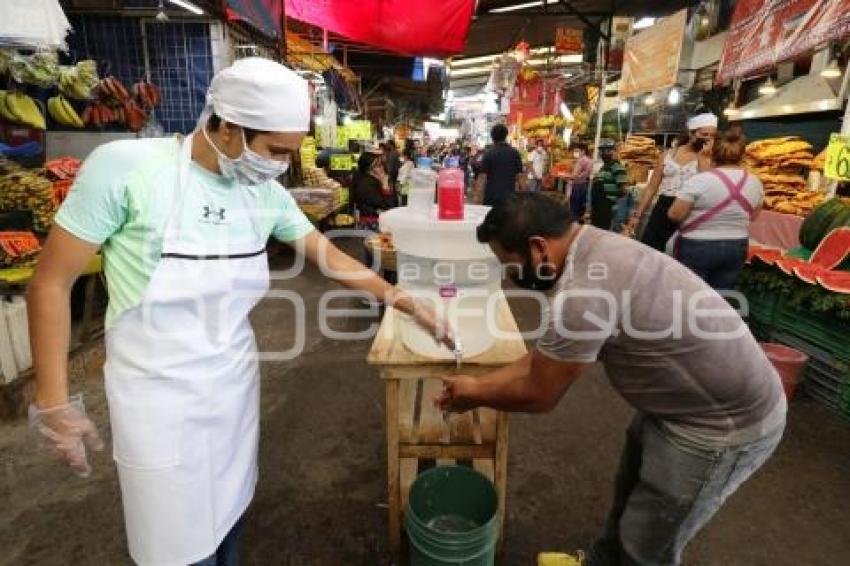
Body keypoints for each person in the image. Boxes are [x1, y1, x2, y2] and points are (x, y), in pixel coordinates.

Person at [26, 58, 453, 566]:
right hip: (158, 401)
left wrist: (403, 299)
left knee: (230, 518)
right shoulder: (128, 170)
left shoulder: (262, 194)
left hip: (232, 387)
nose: (279, 164)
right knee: (174, 547)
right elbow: (50, 284)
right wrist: (54, 400)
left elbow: (328, 254)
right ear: (227, 124)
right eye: (274, 150)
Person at [437, 193, 786, 566]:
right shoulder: (592, 245)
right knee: (628, 496)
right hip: (678, 402)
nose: (509, 276)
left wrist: (474, 393)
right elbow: (542, 361)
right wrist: (481, 384)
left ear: (538, 248)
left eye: (508, 264)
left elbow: (539, 393)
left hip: (719, 426)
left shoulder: (582, 293)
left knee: (646, 545)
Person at [667, 130, 763, 291]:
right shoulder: (755, 182)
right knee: (719, 300)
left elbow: (675, 214)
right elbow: (754, 216)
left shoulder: (699, 181)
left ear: (713, 152)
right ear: (742, 154)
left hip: (697, 247)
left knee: (690, 297)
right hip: (736, 247)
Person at [629, 113, 717, 250]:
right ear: (691, 133)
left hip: (687, 212)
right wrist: (637, 215)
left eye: (712, 136)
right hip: (662, 209)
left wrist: (704, 158)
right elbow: (651, 188)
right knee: (650, 251)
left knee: (677, 255)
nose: (708, 139)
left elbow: (707, 187)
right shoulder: (668, 155)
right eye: (704, 134)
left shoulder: (710, 159)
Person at [474, 124, 524, 206]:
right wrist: (524, 196)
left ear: (492, 137)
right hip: (510, 198)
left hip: (491, 197)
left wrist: (478, 196)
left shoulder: (488, 154)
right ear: (506, 135)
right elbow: (520, 176)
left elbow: (482, 177)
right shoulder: (514, 153)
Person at [353, 146, 395, 230]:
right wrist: (385, 185)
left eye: (381, 164)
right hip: (372, 225)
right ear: (368, 169)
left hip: (376, 222)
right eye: (377, 165)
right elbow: (388, 205)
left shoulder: (373, 181)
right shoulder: (366, 184)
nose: (382, 168)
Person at [589, 138, 628, 230]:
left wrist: (615, 205)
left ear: (614, 151)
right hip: (598, 206)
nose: (604, 153)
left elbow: (623, 190)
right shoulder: (603, 167)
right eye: (602, 151)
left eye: (607, 150)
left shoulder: (617, 167)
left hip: (607, 207)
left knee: (604, 232)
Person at [566, 142, 592, 220]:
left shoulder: (582, 160)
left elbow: (575, 175)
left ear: (583, 151)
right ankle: (579, 220)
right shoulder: (589, 160)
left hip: (578, 185)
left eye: (577, 151)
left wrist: (567, 176)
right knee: (581, 205)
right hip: (583, 184)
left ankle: (574, 221)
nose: (575, 153)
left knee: (575, 206)